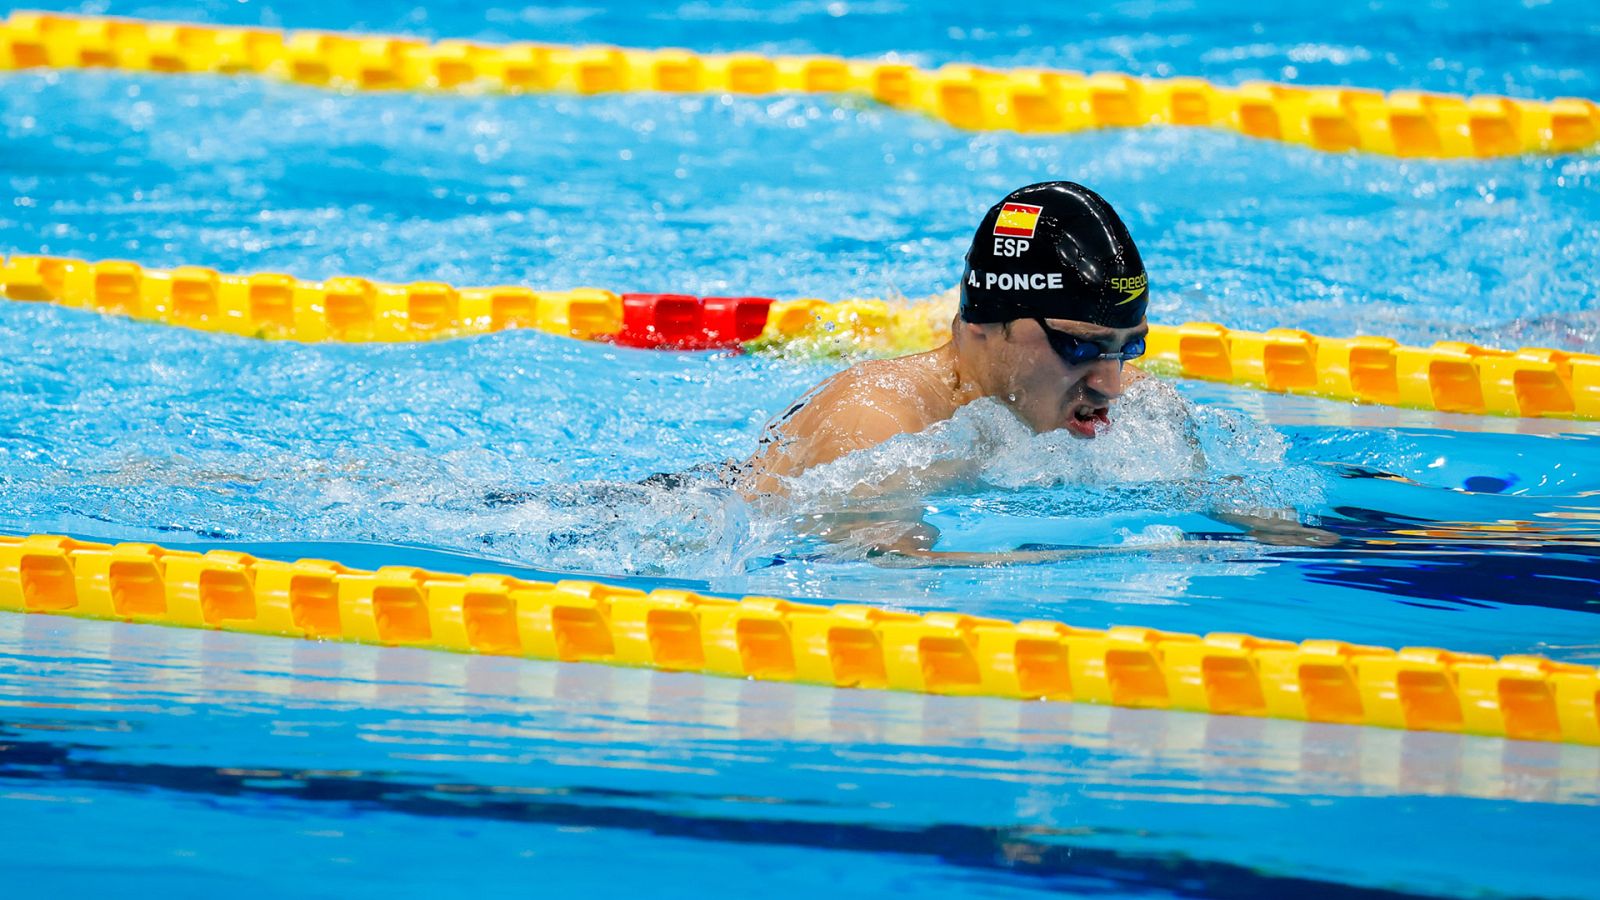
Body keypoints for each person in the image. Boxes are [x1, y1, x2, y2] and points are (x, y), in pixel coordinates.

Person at [740, 180, 1150, 498]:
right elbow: (880, 577)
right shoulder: (878, 426)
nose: (1111, 386)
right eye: (1077, 347)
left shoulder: (1143, 412)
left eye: (1129, 348)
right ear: (984, 325)